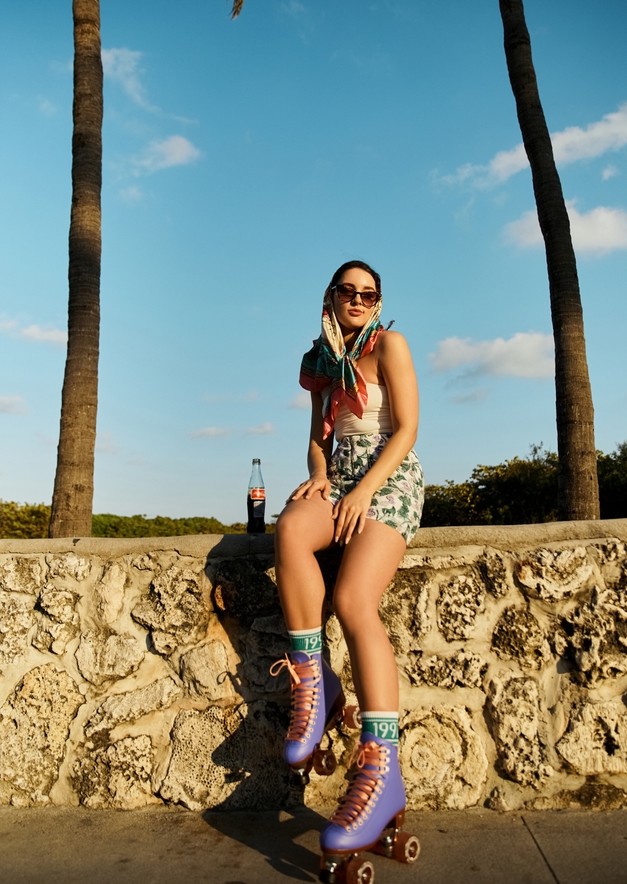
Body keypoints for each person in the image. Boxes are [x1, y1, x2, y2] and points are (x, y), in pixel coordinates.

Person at [271, 260, 424, 872]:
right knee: (289, 529)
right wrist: (319, 477)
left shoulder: (390, 345)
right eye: (348, 291)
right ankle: (317, 681)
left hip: (388, 480)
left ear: (377, 300)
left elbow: (407, 429)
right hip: (340, 479)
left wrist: (363, 492)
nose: (359, 300)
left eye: (370, 293)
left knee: (355, 601)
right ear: (330, 297)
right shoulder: (322, 362)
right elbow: (318, 436)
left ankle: (382, 766)